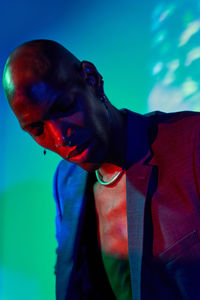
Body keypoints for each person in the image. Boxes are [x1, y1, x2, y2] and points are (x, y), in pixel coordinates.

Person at [3, 39, 200, 300]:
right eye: (38, 130)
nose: (60, 137)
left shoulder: (192, 141)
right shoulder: (66, 182)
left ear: (92, 79)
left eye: (63, 107)